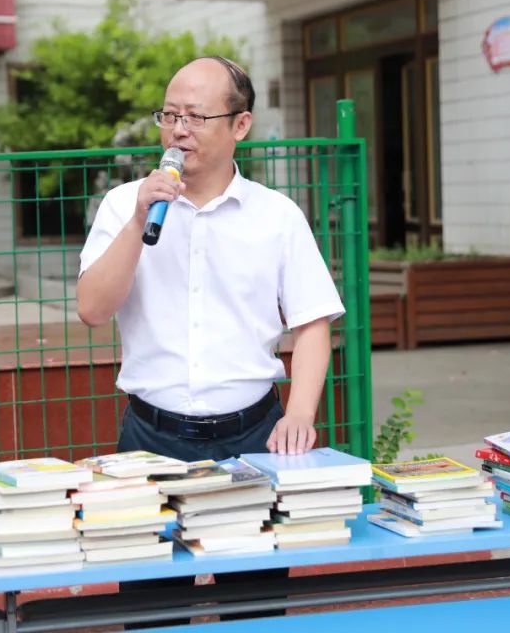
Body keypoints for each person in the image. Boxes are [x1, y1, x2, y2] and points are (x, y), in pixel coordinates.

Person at [76, 56, 344, 625]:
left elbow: (314, 322)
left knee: (255, 607)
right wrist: (138, 220)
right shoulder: (127, 204)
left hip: (252, 435)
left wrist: (300, 412)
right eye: (169, 115)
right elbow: (92, 309)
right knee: (150, 610)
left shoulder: (276, 216)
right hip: (150, 436)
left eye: (196, 116)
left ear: (240, 126)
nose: (178, 130)